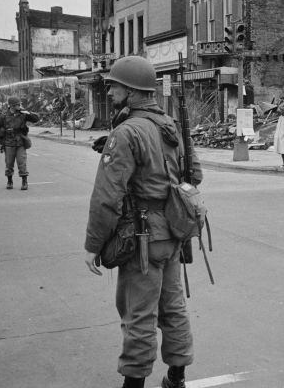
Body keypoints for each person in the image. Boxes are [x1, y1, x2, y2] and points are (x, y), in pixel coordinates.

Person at [84, 56, 203, 388]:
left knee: (138, 314)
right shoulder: (170, 126)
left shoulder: (126, 133)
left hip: (143, 237)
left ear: (132, 91)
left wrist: (93, 245)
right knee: (173, 307)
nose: (110, 92)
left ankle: (133, 384)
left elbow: (106, 197)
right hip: (173, 234)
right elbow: (196, 175)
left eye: (115, 86)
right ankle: (176, 377)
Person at [0, 96, 39, 190]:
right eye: (17, 104)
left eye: (19, 104)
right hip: (8, 142)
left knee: (22, 162)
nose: (19, 106)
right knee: (9, 164)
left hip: (20, 142)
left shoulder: (23, 114)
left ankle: (24, 182)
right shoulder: (3, 116)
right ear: (11, 106)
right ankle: (9, 181)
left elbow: (36, 119)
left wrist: (28, 112)